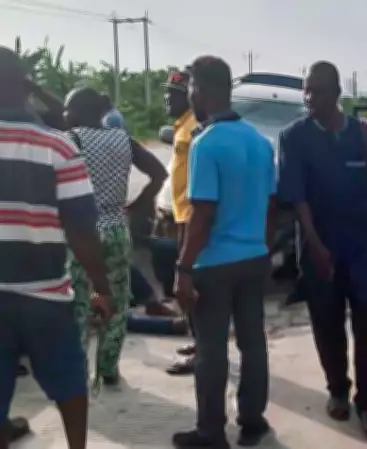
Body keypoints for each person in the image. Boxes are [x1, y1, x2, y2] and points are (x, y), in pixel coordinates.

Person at [277, 60, 367, 441]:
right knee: (327, 323)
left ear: (336, 93)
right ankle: (337, 390)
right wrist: (316, 245)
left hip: (362, 248)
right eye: (306, 90)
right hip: (318, 247)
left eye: (317, 90)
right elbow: (298, 198)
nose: (309, 97)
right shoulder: (294, 137)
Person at [0, 46, 113, 449]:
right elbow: (81, 228)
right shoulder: (58, 146)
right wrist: (102, 287)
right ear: (25, 86)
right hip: (45, 294)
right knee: (68, 381)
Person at [172, 55, 275, 449]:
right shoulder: (260, 143)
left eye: (191, 87)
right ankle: (252, 419)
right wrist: (262, 248)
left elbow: (202, 213)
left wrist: (183, 268)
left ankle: (211, 432)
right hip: (254, 257)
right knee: (253, 342)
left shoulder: (207, 142)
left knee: (211, 349)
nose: (189, 95)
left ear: (204, 90)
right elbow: (271, 206)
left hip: (215, 263)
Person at [63, 87, 167, 386]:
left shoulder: (71, 140)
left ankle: (77, 373)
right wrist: (137, 205)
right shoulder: (123, 139)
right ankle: (108, 368)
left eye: (67, 109)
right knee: (117, 301)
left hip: (82, 232)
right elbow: (159, 173)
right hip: (117, 230)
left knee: (79, 303)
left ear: (79, 111)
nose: (64, 114)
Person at [162, 70, 201, 376]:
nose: (167, 98)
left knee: (193, 285)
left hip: (192, 216)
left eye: (173, 94)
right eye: (167, 92)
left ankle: (203, 350)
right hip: (181, 215)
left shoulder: (195, 127)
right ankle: (197, 340)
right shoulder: (182, 126)